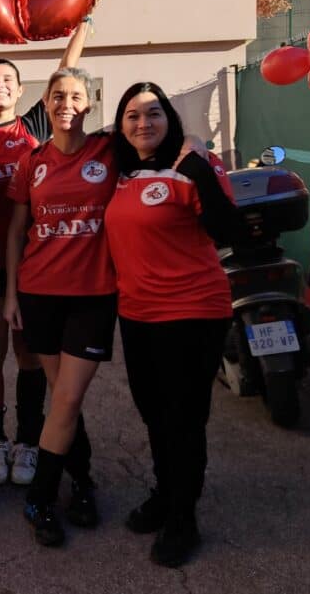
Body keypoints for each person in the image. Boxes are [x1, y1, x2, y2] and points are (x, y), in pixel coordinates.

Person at [104, 81, 239, 568]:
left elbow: (228, 231)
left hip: (194, 311)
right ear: (120, 124)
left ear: (170, 120)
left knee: (184, 418)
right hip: (137, 314)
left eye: (154, 113)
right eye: (133, 115)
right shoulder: (119, 173)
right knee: (153, 412)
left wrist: (200, 163)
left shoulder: (190, 167)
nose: (144, 123)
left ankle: (184, 517)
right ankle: (165, 493)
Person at [0, 17, 92, 487]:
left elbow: (66, 68)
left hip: (32, 268)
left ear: (20, 92)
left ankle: (30, 441)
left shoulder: (34, 125)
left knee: (31, 357)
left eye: (7, 80)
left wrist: (84, 23)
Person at [3, 68, 117, 548]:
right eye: (56, 97)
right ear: (45, 104)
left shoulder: (110, 153)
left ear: (88, 102)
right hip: (39, 292)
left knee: (66, 399)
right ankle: (84, 483)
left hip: (93, 294)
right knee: (61, 397)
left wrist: (193, 143)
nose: (65, 103)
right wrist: (11, 294)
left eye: (74, 96)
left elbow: (165, 140)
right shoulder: (33, 162)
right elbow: (15, 231)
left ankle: (42, 497)